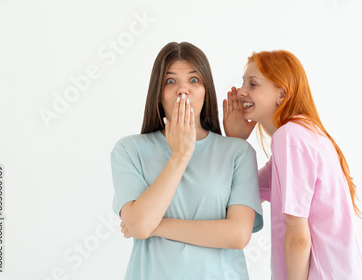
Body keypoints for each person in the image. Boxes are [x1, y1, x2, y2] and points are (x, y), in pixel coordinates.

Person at [110, 42, 263, 280]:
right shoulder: (129, 150)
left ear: (206, 91)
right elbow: (140, 226)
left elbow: (238, 235)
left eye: (194, 80)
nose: (183, 90)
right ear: (158, 94)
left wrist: (154, 226)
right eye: (170, 81)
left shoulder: (238, 152)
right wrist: (180, 155)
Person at [223, 50, 362, 280]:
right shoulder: (304, 134)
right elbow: (237, 195)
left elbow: (298, 238)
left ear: (282, 93)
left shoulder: (290, 137)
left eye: (253, 84)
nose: (241, 92)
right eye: (243, 83)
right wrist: (234, 142)